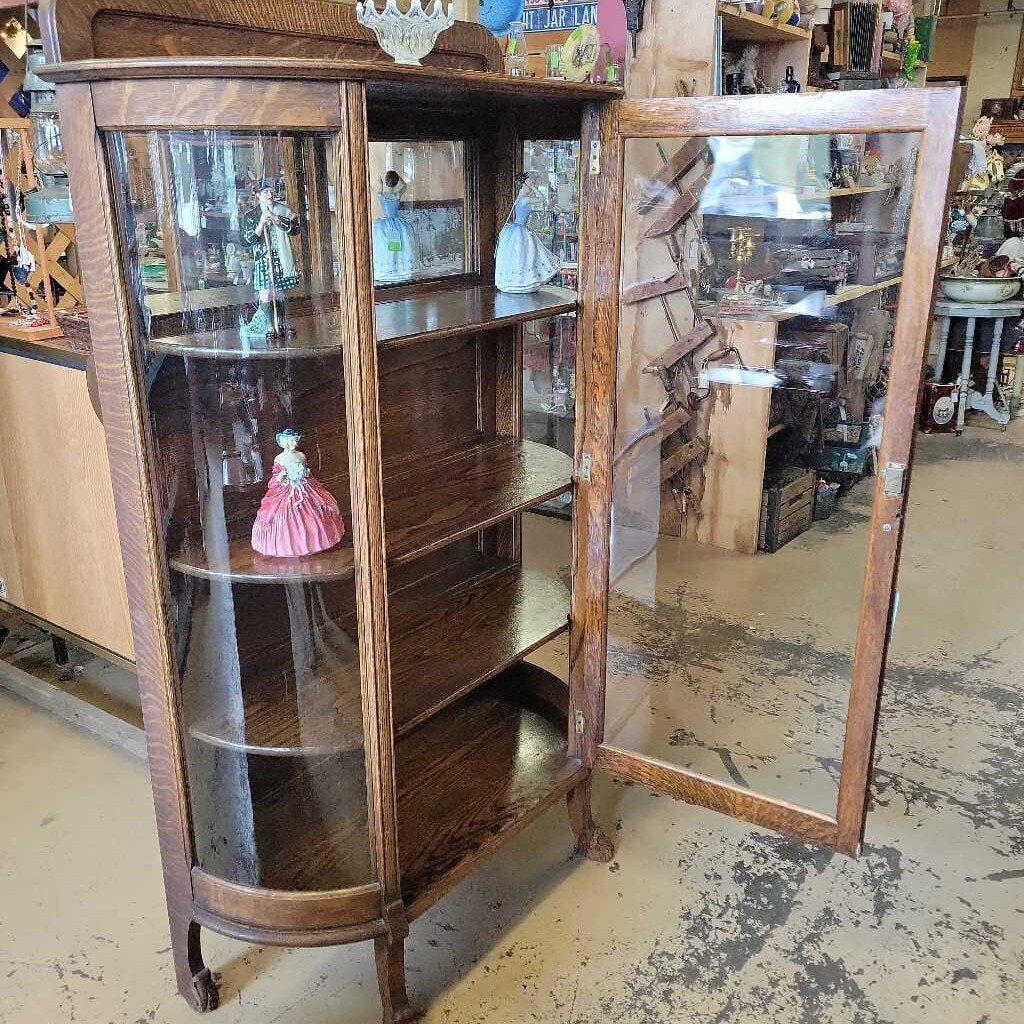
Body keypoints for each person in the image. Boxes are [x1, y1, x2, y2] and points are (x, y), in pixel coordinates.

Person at [251, 429, 345, 558]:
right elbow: (276, 477)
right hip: (287, 488)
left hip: (304, 486)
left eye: (296, 440)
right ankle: (288, 545)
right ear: (284, 442)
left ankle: (315, 541)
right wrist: (282, 476)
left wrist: (305, 473)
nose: (294, 443)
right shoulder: (280, 458)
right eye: (291, 440)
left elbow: (306, 471)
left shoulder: (301, 455)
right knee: (284, 513)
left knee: (314, 508)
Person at [240, 178, 300, 338]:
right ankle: (270, 325)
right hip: (263, 258)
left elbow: (295, 229)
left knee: (280, 292)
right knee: (266, 293)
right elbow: (246, 241)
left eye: (271, 191)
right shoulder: (251, 215)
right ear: (258, 195)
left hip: (281, 255)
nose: (270, 194)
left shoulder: (284, 211)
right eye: (266, 191)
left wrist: (277, 219)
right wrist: (260, 224)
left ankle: (281, 323)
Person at [495, 173, 560, 294]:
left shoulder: (520, 199)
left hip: (518, 229)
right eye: (528, 185)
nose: (530, 186)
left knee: (524, 255)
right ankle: (521, 281)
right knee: (523, 255)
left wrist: (531, 186)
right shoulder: (524, 200)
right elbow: (542, 198)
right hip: (520, 230)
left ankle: (521, 281)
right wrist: (534, 188)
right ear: (523, 186)